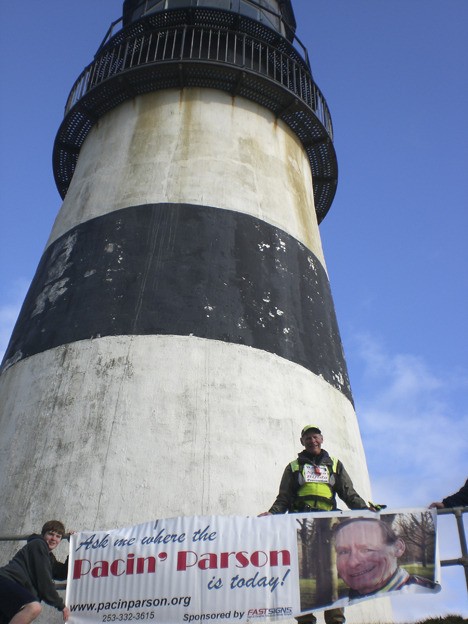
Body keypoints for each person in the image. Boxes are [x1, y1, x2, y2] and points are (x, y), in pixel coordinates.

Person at [259, 424, 370, 624]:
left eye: (315, 437)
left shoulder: (335, 464)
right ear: (302, 442)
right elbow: (284, 498)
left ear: (322, 438)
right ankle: (305, 620)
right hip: (301, 523)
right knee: (300, 573)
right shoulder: (294, 467)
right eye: (308, 438)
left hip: (330, 523)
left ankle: (336, 619)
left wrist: (364, 509)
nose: (312, 441)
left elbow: (348, 493)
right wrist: (273, 513)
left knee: (334, 573)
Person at [333, 517, 437, 599]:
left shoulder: (425, 594)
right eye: (343, 552)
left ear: (398, 548)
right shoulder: (339, 602)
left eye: (366, 550)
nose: (352, 563)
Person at [0, 520, 70, 624]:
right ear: (43, 534)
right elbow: (44, 582)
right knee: (34, 607)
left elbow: (62, 573)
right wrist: (61, 606)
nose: (53, 539)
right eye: (50, 534)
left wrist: (74, 545)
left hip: (16, 591)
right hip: (7, 582)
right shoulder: (38, 545)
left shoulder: (49, 559)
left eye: (58, 536)